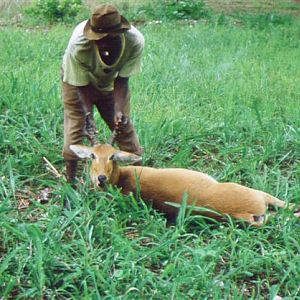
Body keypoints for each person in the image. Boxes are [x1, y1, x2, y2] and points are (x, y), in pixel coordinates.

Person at [61, 4, 144, 185]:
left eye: (104, 38)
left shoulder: (134, 42)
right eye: (96, 38)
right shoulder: (79, 44)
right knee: (76, 129)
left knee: (123, 127)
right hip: (76, 83)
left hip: (110, 83)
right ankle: (70, 184)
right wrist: (88, 116)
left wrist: (119, 110)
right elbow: (81, 87)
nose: (99, 42)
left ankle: (140, 179)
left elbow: (122, 80)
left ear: (117, 34)